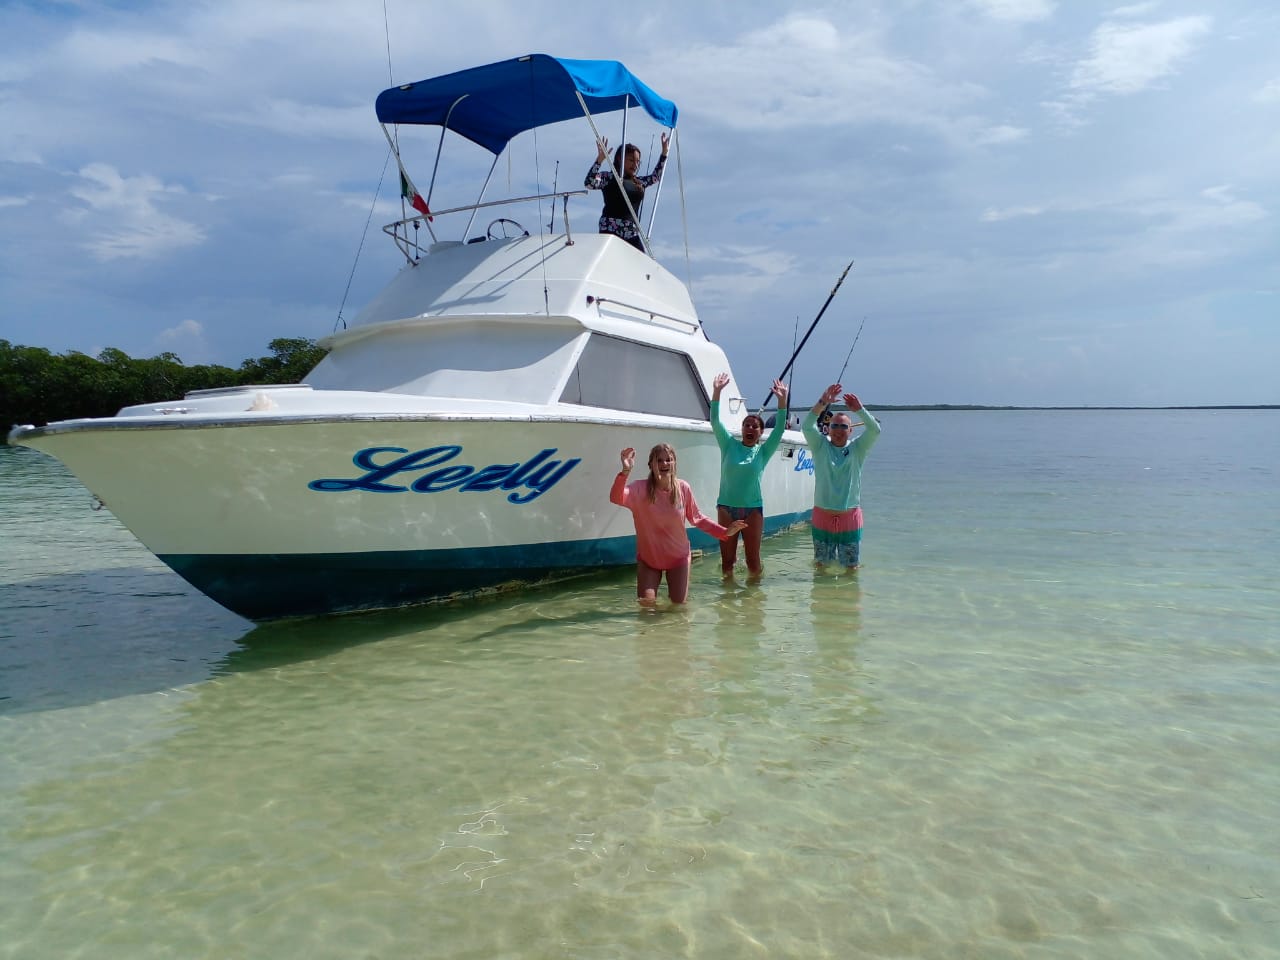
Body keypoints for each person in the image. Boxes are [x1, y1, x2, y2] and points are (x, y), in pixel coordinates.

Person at [610, 444, 746, 604]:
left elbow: (697, 518)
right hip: (649, 559)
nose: (664, 464)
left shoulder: (683, 488)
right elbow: (616, 498)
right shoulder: (639, 489)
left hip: (678, 558)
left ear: (675, 463)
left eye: (669, 460)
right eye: (659, 460)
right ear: (650, 465)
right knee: (646, 606)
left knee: (678, 607)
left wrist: (724, 532)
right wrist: (625, 471)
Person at [710, 373, 789, 578]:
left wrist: (782, 400)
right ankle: (727, 601)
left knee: (753, 560)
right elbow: (715, 421)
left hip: (753, 510)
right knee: (727, 561)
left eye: (755, 426)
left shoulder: (763, 451)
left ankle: (754, 602)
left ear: (761, 432)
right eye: (747, 425)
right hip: (726, 508)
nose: (751, 428)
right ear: (742, 429)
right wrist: (717, 391)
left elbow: (779, 429)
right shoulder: (728, 445)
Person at [802, 384, 882, 571]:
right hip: (823, 516)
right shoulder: (820, 446)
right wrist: (822, 402)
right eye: (834, 426)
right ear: (828, 429)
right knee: (821, 567)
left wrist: (860, 410)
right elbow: (807, 426)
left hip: (849, 517)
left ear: (850, 430)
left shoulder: (857, 449)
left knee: (851, 569)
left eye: (843, 426)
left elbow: (875, 430)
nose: (838, 430)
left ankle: (848, 599)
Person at [585, 133, 669, 252]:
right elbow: (589, 183)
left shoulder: (639, 182)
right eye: (631, 160)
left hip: (631, 232)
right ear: (620, 159)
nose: (635, 165)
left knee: (641, 263)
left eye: (638, 162)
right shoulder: (609, 177)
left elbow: (655, 177)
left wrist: (664, 153)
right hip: (610, 229)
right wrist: (599, 160)